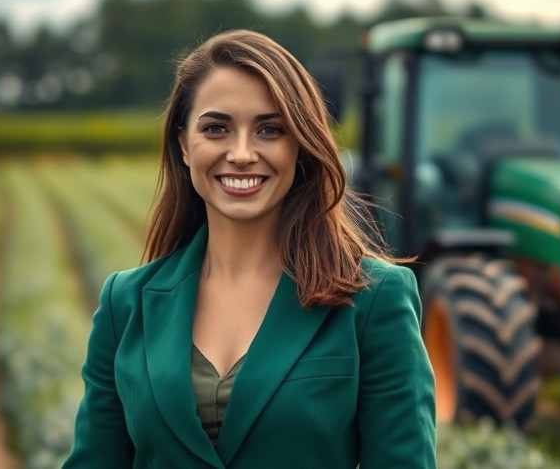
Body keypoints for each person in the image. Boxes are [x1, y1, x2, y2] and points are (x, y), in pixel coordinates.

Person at [63, 29, 436, 468]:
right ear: (184, 146)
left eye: (269, 129)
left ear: (300, 146)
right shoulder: (124, 305)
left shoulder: (375, 299)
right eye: (216, 128)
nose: (241, 153)